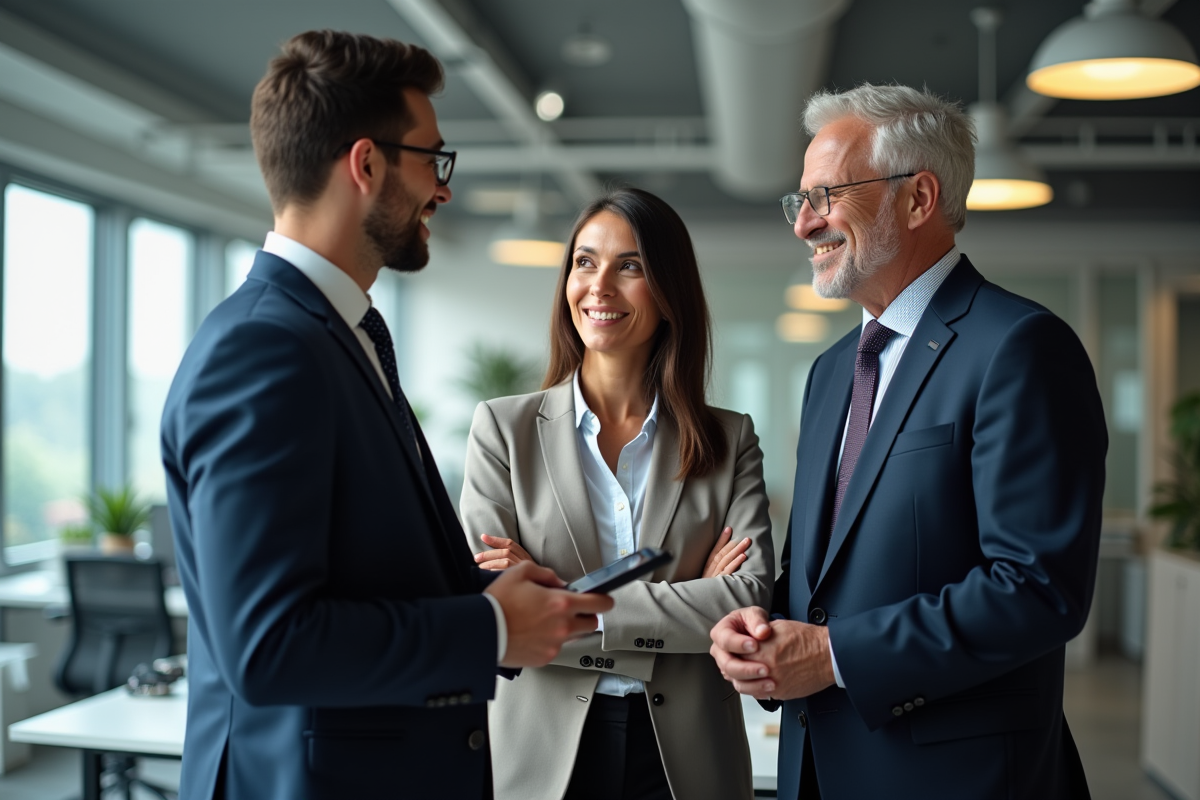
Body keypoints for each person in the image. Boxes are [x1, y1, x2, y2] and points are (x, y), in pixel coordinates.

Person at [160, 31, 611, 800]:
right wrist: (491, 630)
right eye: (433, 160)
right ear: (366, 165)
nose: (443, 190)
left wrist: (485, 596)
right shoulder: (264, 350)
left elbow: (354, 569)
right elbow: (269, 647)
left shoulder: (340, 333)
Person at [709, 84, 1107, 800]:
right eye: (799, 200)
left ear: (918, 199)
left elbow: (1037, 589)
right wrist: (762, 629)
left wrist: (834, 656)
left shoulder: (1020, 347)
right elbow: (821, 573)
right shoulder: (831, 370)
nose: (803, 224)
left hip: (955, 779)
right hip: (818, 768)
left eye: (826, 196)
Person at [459, 187, 775, 800]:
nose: (599, 286)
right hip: (543, 755)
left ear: (668, 290)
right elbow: (496, 610)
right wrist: (689, 604)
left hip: (687, 756)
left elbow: (745, 601)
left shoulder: (728, 439)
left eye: (629, 266)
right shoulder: (503, 429)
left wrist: (559, 601)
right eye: (585, 262)